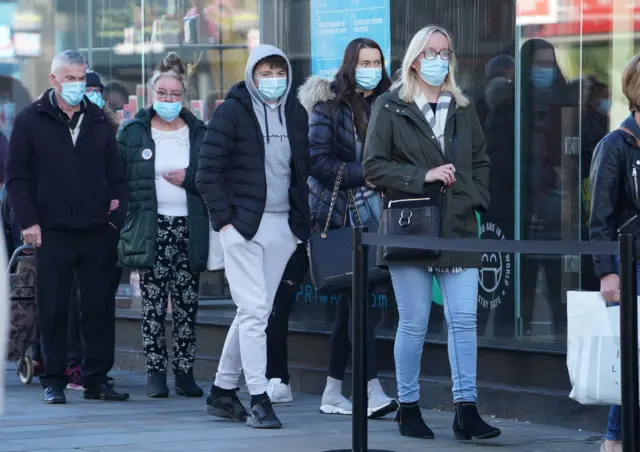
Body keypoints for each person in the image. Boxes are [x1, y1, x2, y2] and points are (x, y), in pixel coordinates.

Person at [362, 25, 500, 441]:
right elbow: (372, 167)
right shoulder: (390, 106)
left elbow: (480, 161)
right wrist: (422, 175)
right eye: (431, 52)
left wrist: (475, 196)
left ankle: (466, 409)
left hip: (458, 227)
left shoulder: (463, 107)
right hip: (411, 227)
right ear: (416, 58)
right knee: (416, 321)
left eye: (446, 53)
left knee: (463, 320)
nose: (439, 59)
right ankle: (408, 407)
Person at [5, 49, 129, 404]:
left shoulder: (99, 121)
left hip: (96, 231)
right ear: (54, 80)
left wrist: (114, 221)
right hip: (51, 230)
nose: (77, 85)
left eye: (81, 78)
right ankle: (55, 379)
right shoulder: (31, 120)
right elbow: (16, 178)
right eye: (70, 78)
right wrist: (28, 221)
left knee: (97, 308)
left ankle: (97, 379)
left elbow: (117, 176)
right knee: (54, 307)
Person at [196, 44, 310, 429]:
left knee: (253, 312)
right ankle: (259, 397)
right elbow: (207, 172)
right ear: (251, 73)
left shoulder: (295, 111)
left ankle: (222, 391)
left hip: (283, 226)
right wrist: (226, 222)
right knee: (257, 312)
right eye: (266, 71)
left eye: (280, 71)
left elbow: (301, 168)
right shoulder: (231, 112)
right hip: (244, 226)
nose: (273, 78)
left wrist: (299, 225)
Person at [297, 37, 396, 418]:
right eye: (364, 62)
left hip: (378, 217)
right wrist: (365, 175)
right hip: (342, 218)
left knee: (348, 307)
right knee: (359, 306)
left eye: (376, 62)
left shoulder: (388, 104)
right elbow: (317, 162)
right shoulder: (329, 105)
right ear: (349, 65)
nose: (370, 68)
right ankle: (370, 390)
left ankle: (332, 391)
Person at [116, 54, 209, 398]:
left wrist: (190, 179)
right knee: (153, 304)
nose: (168, 100)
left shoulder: (198, 132)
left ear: (183, 96)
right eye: (162, 93)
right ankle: (155, 372)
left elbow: (214, 177)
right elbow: (117, 178)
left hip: (189, 227)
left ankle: (184, 372)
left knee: (187, 303)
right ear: (152, 93)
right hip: (151, 228)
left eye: (174, 94)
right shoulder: (133, 131)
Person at [588, 53, 640, 452]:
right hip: (631, 263)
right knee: (631, 360)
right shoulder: (616, 146)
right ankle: (614, 440)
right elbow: (600, 216)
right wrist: (608, 271)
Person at [63, 70, 123, 391]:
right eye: (86, 89)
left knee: (99, 300)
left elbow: (118, 174)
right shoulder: (61, 124)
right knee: (74, 300)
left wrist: (116, 210)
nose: (92, 94)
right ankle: (73, 363)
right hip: (71, 226)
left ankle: (96, 366)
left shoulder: (109, 126)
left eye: (97, 89)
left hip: (104, 228)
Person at [265, 243, 308, 403]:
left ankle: (278, 378)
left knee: (277, 310)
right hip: (259, 238)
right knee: (267, 311)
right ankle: (273, 377)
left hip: (296, 240)